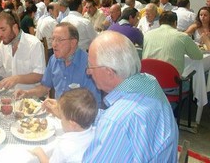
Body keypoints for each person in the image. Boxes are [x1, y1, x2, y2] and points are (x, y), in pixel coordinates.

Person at [78, 31, 178, 162]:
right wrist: (77, 115)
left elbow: (118, 122)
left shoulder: (117, 121)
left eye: (91, 66)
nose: (88, 71)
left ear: (109, 72)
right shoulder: (150, 82)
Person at [15, 23, 101, 105]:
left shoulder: (89, 65)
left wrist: (62, 110)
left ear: (73, 43)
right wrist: (26, 93)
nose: (54, 44)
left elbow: (94, 104)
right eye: (53, 39)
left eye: (59, 40)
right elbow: (45, 87)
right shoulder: (54, 60)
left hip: (80, 116)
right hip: (58, 113)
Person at [0, 9, 45, 90]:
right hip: (8, 93)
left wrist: (17, 78)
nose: (0, 34)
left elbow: (39, 75)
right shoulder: (5, 43)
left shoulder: (34, 44)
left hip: (30, 97)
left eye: (3, 29)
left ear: (15, 27)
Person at [31, 88, 97, 163]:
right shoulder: (96, 132)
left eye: (62, 118)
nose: (61, 120)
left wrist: (40, 153)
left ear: (72, 124)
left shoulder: (64, 146)